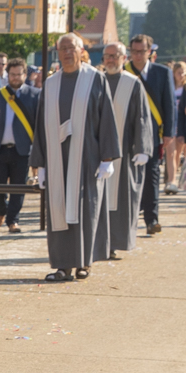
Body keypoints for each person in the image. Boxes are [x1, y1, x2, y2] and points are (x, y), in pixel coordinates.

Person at [30, 31, 121, 282]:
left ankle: (85, 262)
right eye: (63, 49)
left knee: (85, 209)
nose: (68, 53)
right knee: (59, 211)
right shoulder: (50, 84)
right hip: (57, 158)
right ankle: (62, 265)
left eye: (72, 48)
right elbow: (40, 125)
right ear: (57, 53)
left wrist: (107, 159)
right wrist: (40, 164)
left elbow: (106, 118)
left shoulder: (95, 79)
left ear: (82, 52)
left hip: (87, 158)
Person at [95, 42, 154, 255]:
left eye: (115, 56)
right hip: (97, 152)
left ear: (124, 58)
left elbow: (142, 117)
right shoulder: (95, 80)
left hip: (124, 151)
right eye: (107, 56)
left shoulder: (133, 84)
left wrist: (142, 148)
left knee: (120, 200)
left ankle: (114, 243)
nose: (110, 60)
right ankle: (97, 243)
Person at [127, 32, 177, 234]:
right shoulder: (124, 71)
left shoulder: (162, 73)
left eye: (142, 51)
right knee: (129, 177)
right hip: (128, 133)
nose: (138, 55)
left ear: (149, 52)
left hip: (153, 133)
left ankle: (151, 219)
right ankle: (129, 217)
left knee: (152, 175)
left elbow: (170, 104)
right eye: (134, 51)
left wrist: (169, 132)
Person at [0, 55, 38, 233]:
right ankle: (2, 210)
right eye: (12, 74)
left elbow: (38, 123)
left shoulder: (34, 95)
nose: (15, 78)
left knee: (19, 187)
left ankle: (12, 221)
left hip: (21, 149)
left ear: (25, 75)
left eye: (19, 74)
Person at [172, 59, 186, 192]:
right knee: (175, 152)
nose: (181, 75)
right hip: (174, 120)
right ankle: (173, 178)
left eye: (183, 73)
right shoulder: (170, 86)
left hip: (184, 120)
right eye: (178, 73)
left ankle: (185, 178)